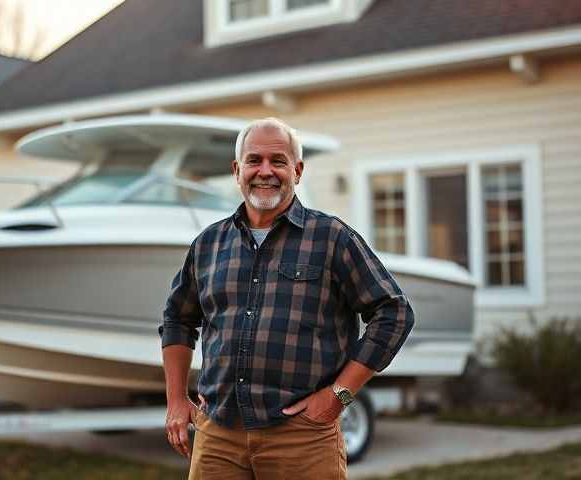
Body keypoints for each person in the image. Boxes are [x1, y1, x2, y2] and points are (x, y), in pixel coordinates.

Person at [159, 117, 415, 479]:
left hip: (302, 438)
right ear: (237, 170)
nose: (266, 171)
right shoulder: (208, 244)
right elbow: (177, 319)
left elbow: (394, 313)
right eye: (254, 160)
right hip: (217, 436)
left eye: (278, 161)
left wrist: (339, 396)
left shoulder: (332, 238)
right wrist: (175, 400)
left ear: (297, 170)